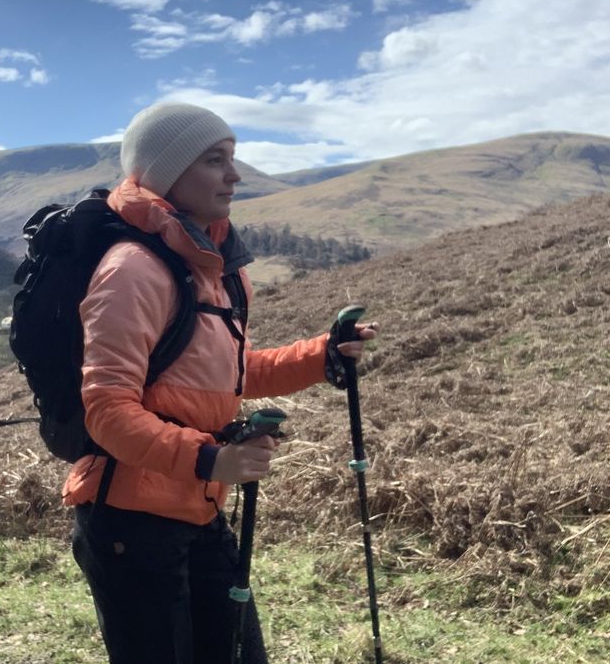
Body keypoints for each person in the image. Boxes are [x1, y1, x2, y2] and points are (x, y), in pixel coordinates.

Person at [63, 102, 377, 663]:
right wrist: (211, 459)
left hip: (199, 509)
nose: (235, 175)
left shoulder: (218, 271)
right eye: (215, 160)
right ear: (167, 174)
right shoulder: (133, 270)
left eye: (232, 158)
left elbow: (231, 373)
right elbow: (107, 411)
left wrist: (321, 355)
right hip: (129, 525)